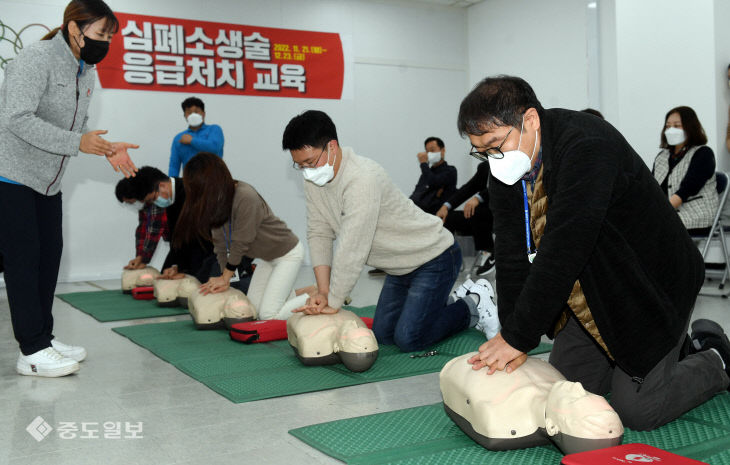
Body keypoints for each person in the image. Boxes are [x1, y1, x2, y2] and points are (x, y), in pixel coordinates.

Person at [459, 75, 729, 431]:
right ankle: (672, 357)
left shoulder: (586, 146)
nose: (492, 158)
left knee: (638, 410)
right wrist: (511, 333)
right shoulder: (509, 166)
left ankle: (714, 358)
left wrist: (518, 338)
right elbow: (510, 253)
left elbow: (562, 251)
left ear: (531, 120)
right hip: (591, 286)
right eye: (481, 151)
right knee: (566, 394)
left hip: (650, 284)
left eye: (495, 144)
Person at [0, 0, 138, 378]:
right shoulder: (36, 59)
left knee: (48, 258)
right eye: (100, 34)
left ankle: (43, 337)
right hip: (11, 177)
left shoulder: (86, 68)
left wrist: (105, 148)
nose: (105, 43)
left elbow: (76, 125)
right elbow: (15, 118)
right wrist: (79, 143)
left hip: (48, 182)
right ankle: (31, 351)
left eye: (110, 36)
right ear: (74, 28)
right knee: (24, 262)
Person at [282, 110, 497, 352]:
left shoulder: (362, 178)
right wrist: (322, 290)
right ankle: (441, 303)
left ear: (332, 147)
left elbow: (352, 247)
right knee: (383, 335)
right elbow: (318, 232)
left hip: (434, 257)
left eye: (310, 162)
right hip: (399, 266)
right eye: (299, 165)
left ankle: (473, 304)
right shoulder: (313, 180)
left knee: (409, 338)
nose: (307, 171)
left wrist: (333, 300)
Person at [173, 152, 304, 320]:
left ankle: (317, 298)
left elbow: (241, 242)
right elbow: (220, 244)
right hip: (268, 259)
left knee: (268, 315)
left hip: (288, 254)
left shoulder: (245, 196)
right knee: (254, 310)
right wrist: (223, 277)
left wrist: (225, 278)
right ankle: (304, 296)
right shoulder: (218, 202)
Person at [115, 166, 225, 285]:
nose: (154, 205)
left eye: (152, 199)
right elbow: (176, 239)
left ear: (161, 186)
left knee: (193, 285)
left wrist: (183, 270)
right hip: (189, 248)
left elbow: (197, 239)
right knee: (164, 281)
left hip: (213, 250)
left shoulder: (191, 193)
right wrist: (175, 265)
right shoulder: (169, 198)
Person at [653, 106, 718, 235]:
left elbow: (687, 189)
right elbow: (651, 188)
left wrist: (660, 213)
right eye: (668, 126)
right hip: (668, 213)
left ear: (690, 127)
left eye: (677, 126)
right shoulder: (662, 156)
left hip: (696, 214)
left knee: (651, 226)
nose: (671, 130)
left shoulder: (703, 153)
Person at [436, 161, 495, 276]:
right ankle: (446, 261)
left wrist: (479, 198)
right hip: (481, 218)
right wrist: (446, 206)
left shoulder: (508, 162)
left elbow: (501, 186)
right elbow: (469, 188)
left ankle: (488, 252)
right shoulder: (485, 167)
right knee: (448, 218)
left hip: (505, 214)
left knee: (478, 210)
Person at [168, 97, 224, 177]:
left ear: (203, 114)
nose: (193, 115)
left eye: (197, 111)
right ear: (185, 116)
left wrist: (191, 140)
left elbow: (214, 148)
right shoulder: (179, 138)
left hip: (214, 181)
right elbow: (174, 166)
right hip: (189, 183)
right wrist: (172, 184)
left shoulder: (214, 129)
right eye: (189, 112)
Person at [409, 137, 457, 215]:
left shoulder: (450, 170)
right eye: (427, 151)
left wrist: (424, 163)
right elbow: (416, 194)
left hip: (436, 215)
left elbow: (433, 182)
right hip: (418, 213)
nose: (429, 154)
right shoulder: (426, 173)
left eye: (432, 150)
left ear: (443, 150)